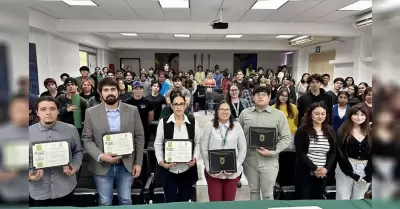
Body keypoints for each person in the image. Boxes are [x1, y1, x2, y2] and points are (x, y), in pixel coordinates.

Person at [82, 77, 145, 206]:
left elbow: (139, 137)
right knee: (105, 202)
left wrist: (138, 163)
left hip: (126, 164)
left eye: (113, 89)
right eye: (106, 90)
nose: (110, 92)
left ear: (118, 91)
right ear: (100, 93)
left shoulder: (132, 110)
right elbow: (87, 139)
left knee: (126, 200)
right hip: (102, 165)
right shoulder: (91, 112)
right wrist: (101, 156)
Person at [238, 86, 291, 200]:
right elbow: (238, 136)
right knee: (253, 192)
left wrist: (274, 151)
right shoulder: (244, 114)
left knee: (268, 195)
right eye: (257, 94)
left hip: (270, 161)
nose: (260, 96)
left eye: (264, 94)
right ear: (253, 97)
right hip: (250, 160)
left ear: (269, 97)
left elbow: (286, 137)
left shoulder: (278, 115)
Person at [29, 96, 83, 206]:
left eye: (52, 109)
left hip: (65, 187)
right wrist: (28, 175)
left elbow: (78, 151)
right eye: (43, 109)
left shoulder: (70, 129)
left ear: (58, 111)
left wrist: (75, 167)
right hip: (38, 189)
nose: (48, 113)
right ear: (37, 112)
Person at [154, 92, 200, 203]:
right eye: (176, 104)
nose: (178, 107)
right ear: (171, 106)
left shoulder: (193, 122)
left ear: (185, 105)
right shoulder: (163, 122)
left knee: (185, 201)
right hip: (169, 170)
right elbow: (158, 145)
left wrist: (194, 158)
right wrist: (162, 162)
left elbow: (198, 143)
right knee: (171, 202)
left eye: (181, 104)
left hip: (187, 169)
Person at [200, 100, 247, 201]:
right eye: (221, 109)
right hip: (214, 173)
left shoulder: (237, 126)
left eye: (227, 109)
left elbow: (243, 148)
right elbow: (203, 147)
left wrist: (235, 166)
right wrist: (209, 167)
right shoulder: (210, 125)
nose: (224, 112)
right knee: (215, 203)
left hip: (232, 174)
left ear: (230, 112)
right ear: (217, 111)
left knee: (229, 203)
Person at [294, 102, 336, 200]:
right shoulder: (302, 130)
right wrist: (315, 168)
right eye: (316, 114)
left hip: (323, 173)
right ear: (310, 114)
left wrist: (326, 168)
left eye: (323, 114)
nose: (320, 116)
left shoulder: (330, 130)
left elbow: (332, 153)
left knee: (318, 198)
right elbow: (300, 153)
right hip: (305, 171)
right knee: (304, 199)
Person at [336, 104, 372, 200]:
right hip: (346, 166)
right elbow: (340, 154)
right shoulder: (342, 131)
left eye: (362, 114)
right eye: (356, 114)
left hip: (365, 168)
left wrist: (370, 173)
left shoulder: (370, 132)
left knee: (359, 199)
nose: (359, 117)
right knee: (343, 198)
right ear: (350, 115)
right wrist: (351, 173)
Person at [0, 94, 29, 204]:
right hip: (9, 195)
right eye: (18, 110)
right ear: (10, 111)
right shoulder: (1, 134)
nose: (22, 114)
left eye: (25, 110)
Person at [125, 81, 155, 149]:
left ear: (142, 90)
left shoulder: (147, 102)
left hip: (144, 129)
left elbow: (151, 117)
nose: (138, 91)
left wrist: (145, 124)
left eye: (140, 88)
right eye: (136, 89)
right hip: (131, 129)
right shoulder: (127, 102)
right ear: (132, 90)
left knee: (144, 148)